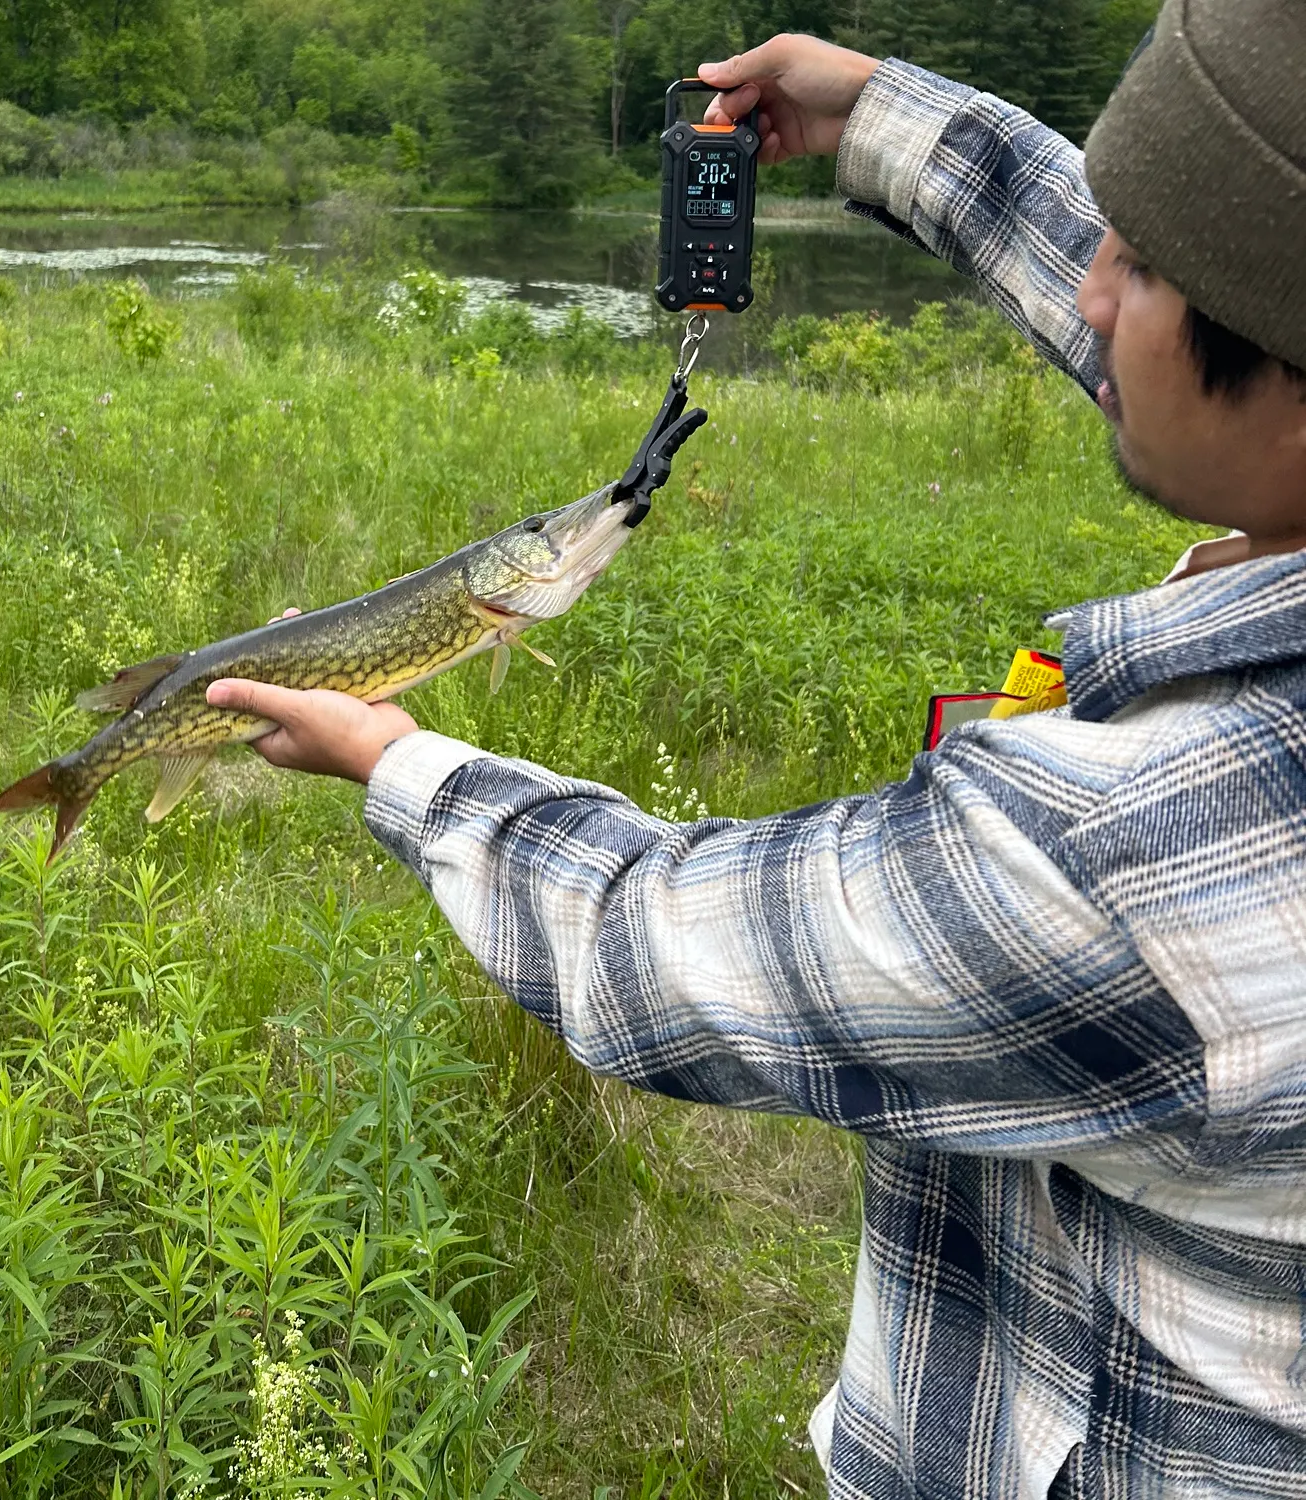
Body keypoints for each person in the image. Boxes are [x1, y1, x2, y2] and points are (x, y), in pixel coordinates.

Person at [206, 2, 1306, 1493]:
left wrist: (392, 761)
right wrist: (876, 114)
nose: (1092, 293)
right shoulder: (1262, 403)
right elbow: (1200, 279)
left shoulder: (1155, 855)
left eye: (1148, 266)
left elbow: (654, 949)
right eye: (1112, 233)